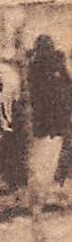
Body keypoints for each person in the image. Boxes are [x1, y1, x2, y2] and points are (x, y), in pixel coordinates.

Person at [25, 34, 70, 202]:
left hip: (58, 117)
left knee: (59, 150)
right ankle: (46, 187)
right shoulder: (35, 68)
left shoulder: (57, 64)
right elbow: (36, 95)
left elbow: (67, 86)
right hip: (46, 120)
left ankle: (57, 182)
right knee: (44, 155)